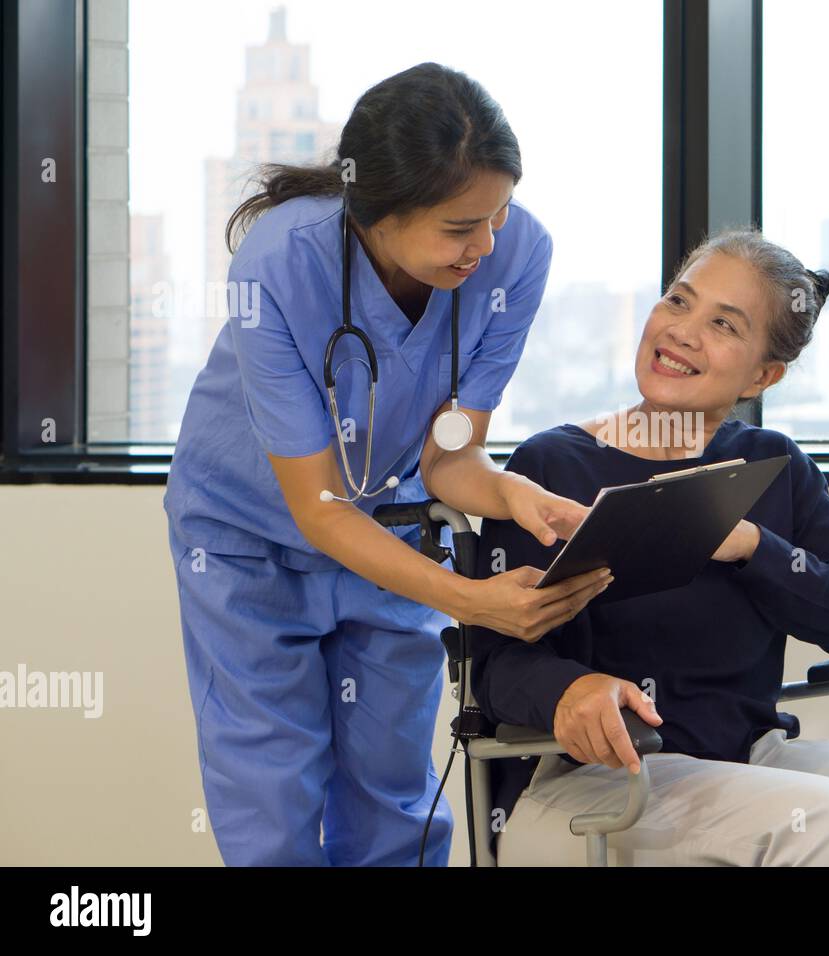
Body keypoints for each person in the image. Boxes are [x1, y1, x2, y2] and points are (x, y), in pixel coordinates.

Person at [163, 63, 610, 867]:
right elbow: (320, 506)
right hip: (246, 538)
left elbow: (450, 460)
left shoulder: (517, 256)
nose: (486, 246)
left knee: (394, 795)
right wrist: (472, 601)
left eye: (498, 215)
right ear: (374, 210)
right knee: (273, 794)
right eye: (459, 227)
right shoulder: (278, 263)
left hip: (391, 517)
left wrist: (520, 496)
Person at [470, 229, 829, 866]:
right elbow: (497, 662)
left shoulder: (773, 464)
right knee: (825, 822)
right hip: (590, 780)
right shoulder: (550, 466)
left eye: (723, 324)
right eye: (678, 301)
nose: (683, 331)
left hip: (750, 758)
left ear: (763, 375)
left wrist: (750, 543)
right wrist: (569, 691)